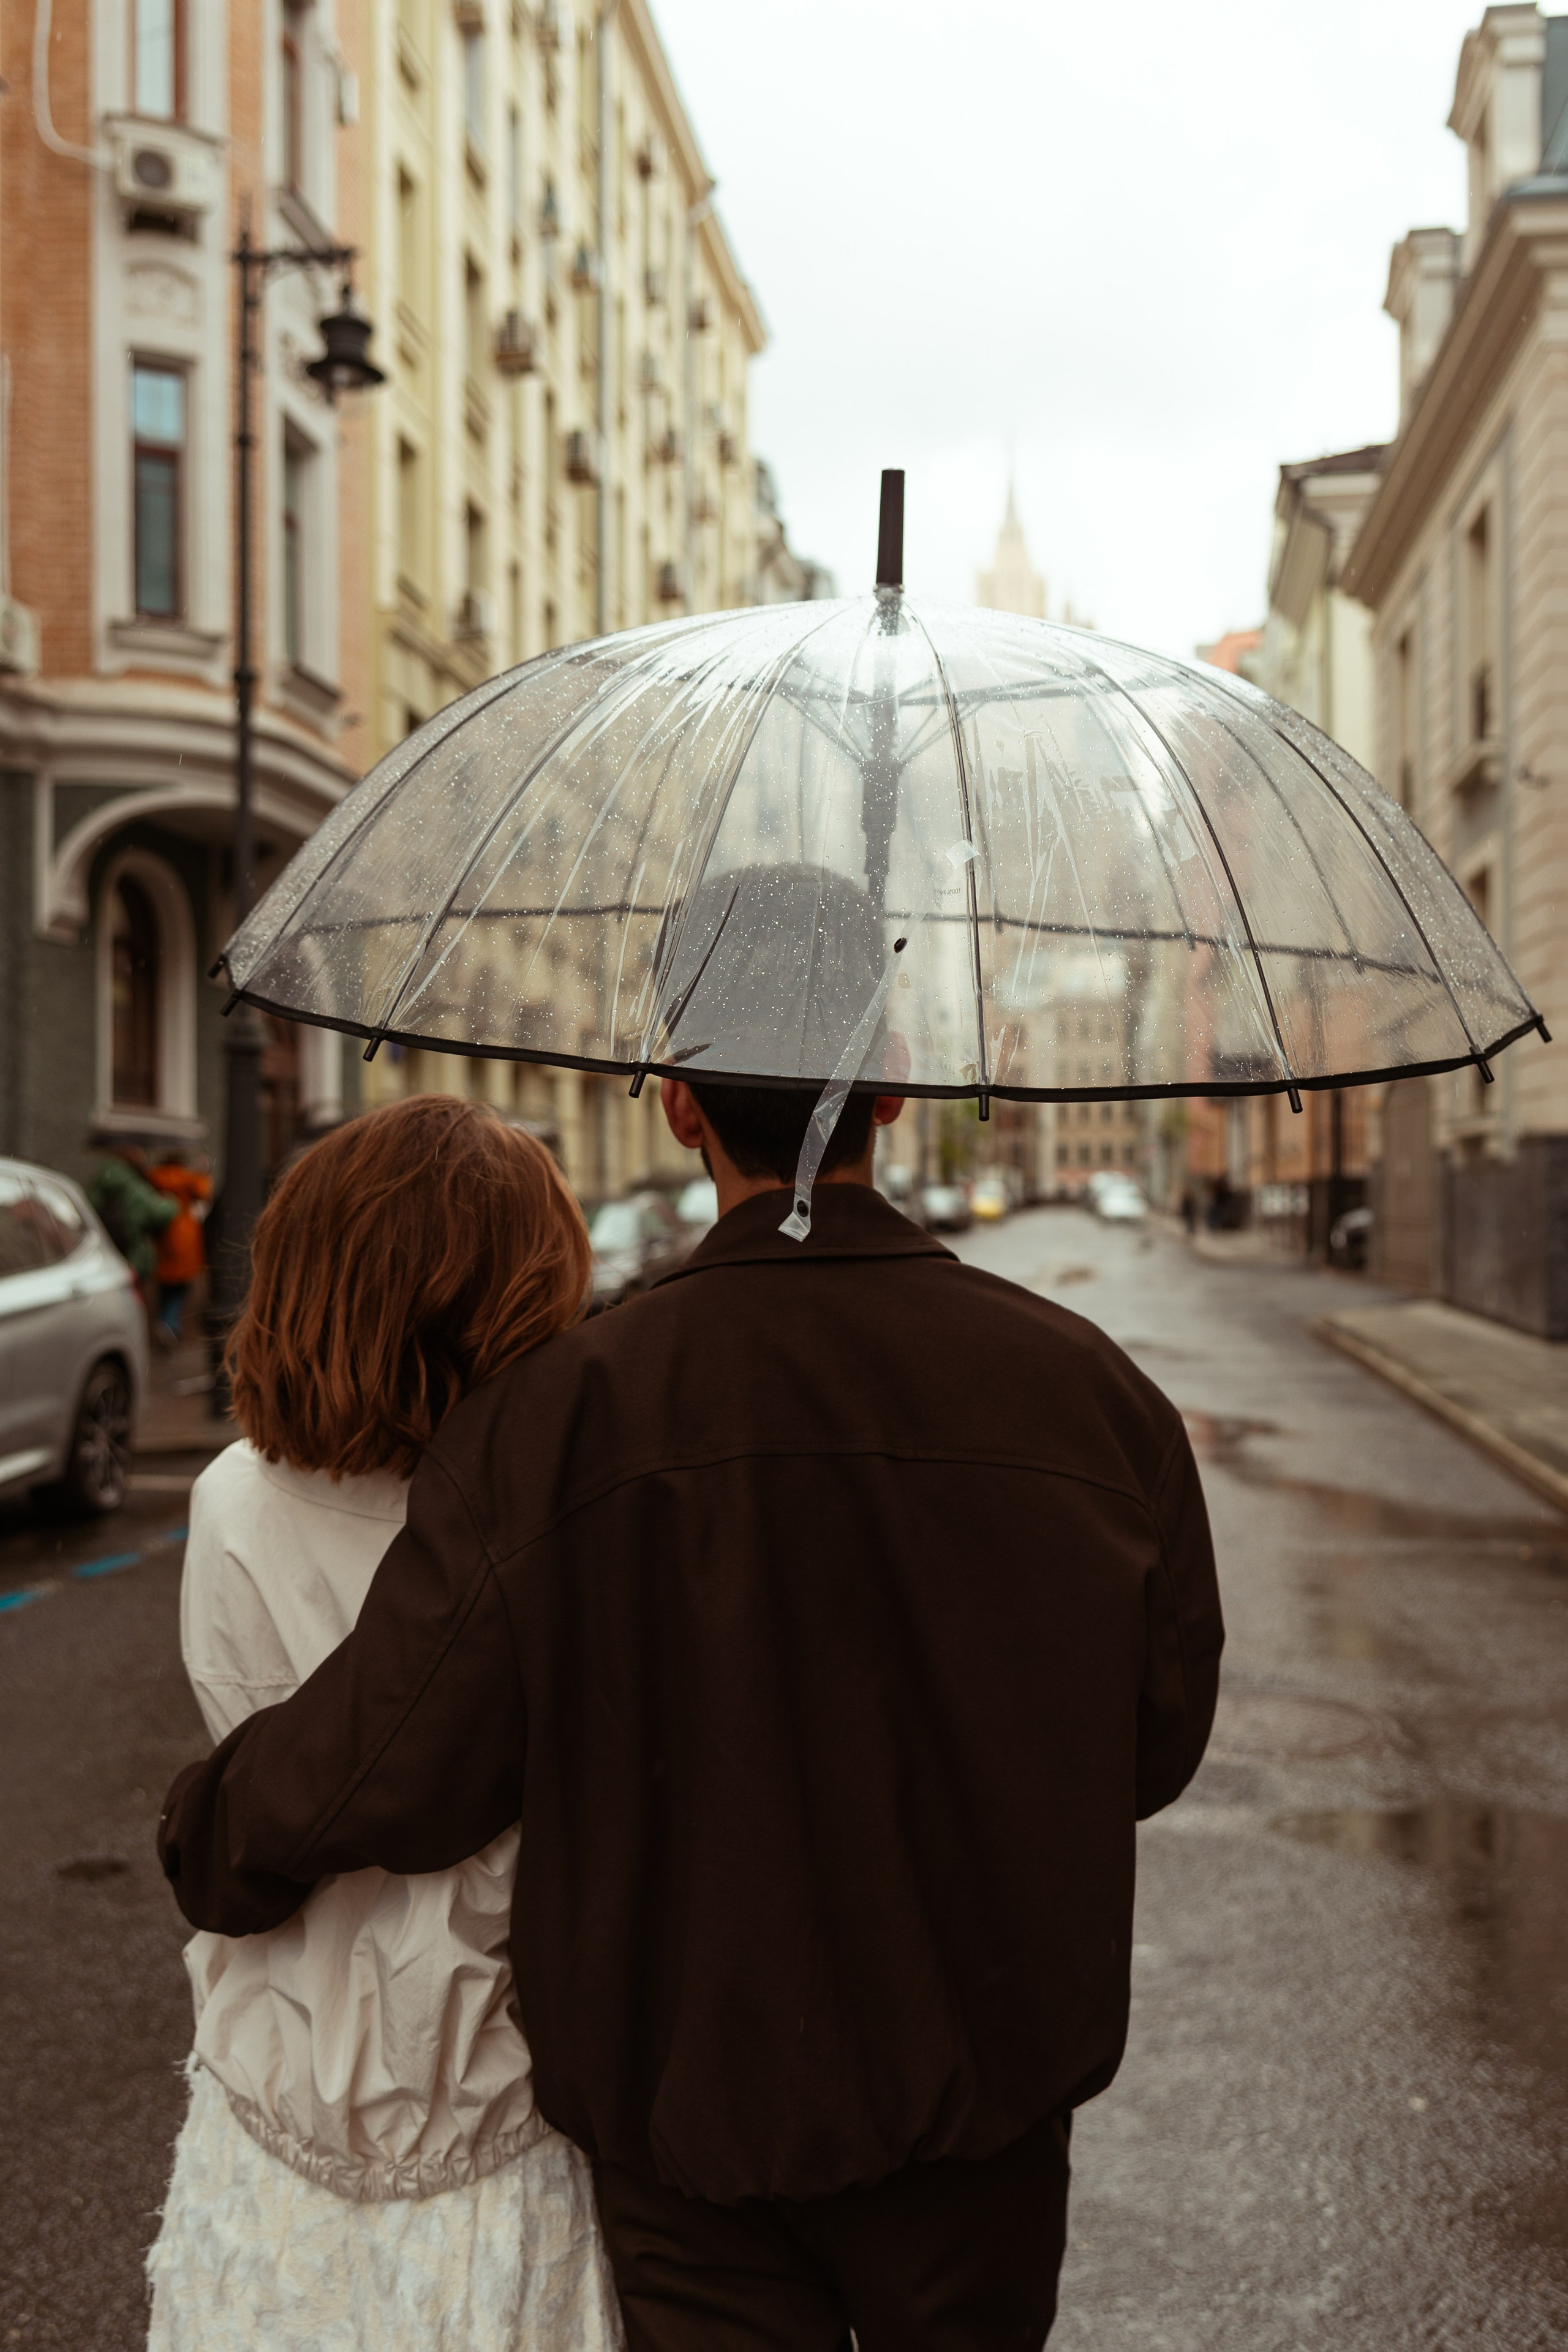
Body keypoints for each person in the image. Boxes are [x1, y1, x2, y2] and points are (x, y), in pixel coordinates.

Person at [159, 863, 1224, 2351]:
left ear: (672, 1096)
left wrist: (213, 1830)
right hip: (982, 2098)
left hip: (687, 2123)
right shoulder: (1092, 1395)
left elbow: (405, 1739)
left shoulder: (565, 1414)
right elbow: (1152, 1744)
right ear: (895, 1084)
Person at [145, 1095, 622, 2352]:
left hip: (284, 2074)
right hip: (495, 2091)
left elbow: (252, 1748)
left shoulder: (232, 1499)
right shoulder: (553, 1515)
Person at [88, 1137, 175, 1305]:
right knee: (131, 1306)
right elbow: (158, 1213)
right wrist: (170, 1201)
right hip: (132, 1256)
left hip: (105, 1254)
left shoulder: (100, 1182)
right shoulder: (131, 1186)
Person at [147, 1150, 212, 1345]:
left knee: (165, 1283)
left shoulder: (155, 1177)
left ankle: (165, 1320)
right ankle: (169, 1323)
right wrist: (203, 1172)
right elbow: (204, 1193)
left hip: (162, 1234)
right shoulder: (188, 1178)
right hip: (184, 1233)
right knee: (181, 1284)